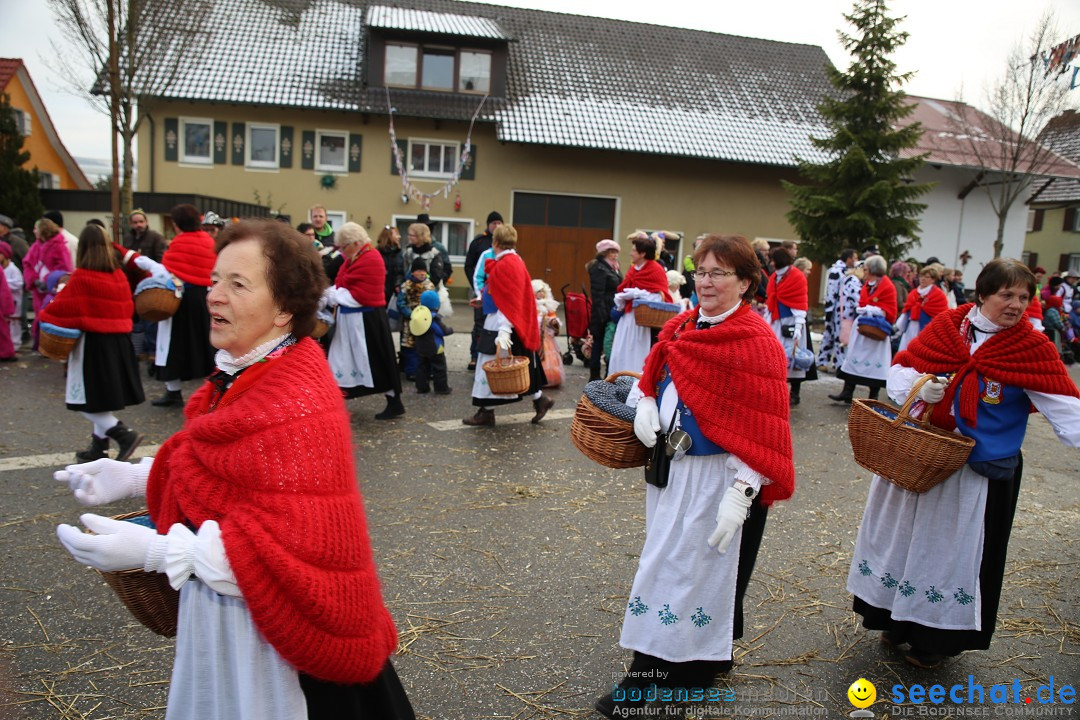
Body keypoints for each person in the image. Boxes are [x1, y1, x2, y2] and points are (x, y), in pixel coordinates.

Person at [54, 218, 415, 718]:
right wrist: (135, 475)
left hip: (284, 651)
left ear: (285, 308)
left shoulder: (298, 400)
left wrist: (158, 551)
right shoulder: (245, 372)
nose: (214, 295)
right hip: (234, 620)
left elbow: (287, 546)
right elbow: (226, 470)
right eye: (216, 279)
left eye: (237, 283)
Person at [847, 259, 1080, 670]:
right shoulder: (949, 327)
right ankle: (891, 619)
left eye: (1024, 298)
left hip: (977, 470)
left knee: (951, 556)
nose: (1015, 305)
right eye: (1006, 295)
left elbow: (1066, 410)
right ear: (983, 294)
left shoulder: (1031, 347)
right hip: (922, 455)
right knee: (903, 540)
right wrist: (923, 392)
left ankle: (934, 640)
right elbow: (901, 370)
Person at [597, 234, 794, 718]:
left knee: (694, 578)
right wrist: (644, 399)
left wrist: (743, 492)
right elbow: (656, 369)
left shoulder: (757, 342)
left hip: (717, 480)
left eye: (719, 273)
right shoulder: (683, 325)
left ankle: (667, 681)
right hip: (671, 472)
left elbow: (763, 428)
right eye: (701, 271)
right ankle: (660, 674)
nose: (706, 282)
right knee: (664, 569)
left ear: (745, 282)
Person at [38, 224, 145, 461]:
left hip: (94, 344)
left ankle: (123, 434)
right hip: (119, 343)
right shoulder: (118, 275)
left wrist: (44, 315)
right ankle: (99, 447)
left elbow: (58, 310)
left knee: (86, 400)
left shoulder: (81, 277)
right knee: (100, 398)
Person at [464, 224, 554, 426]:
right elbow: (504, 294)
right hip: (508, 320)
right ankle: (540, 400)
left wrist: (504, 330)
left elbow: (509, 300)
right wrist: (483, 301)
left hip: (502, 323)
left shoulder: (506, 264)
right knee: (516, 365)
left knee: (492, 365)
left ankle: (486, 412)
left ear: (495, 242)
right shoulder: (513, 260)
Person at [324, 222, 405, 420]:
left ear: (355, 242)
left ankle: (394, 402)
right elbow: (342, 282)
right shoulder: (354, 257)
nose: (342, 251)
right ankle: (335, 401)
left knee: (377, 361)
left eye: (344, 247)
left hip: (367, 321)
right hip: (350, 320)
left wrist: (333, 296)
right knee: (339, 359)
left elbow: (362, 294)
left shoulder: (371, 258)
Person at [148, 204, 217, 407]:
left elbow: (167, 271)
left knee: (173, 345)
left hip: (179, 298)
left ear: (177, 224)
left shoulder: (178, 243)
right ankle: (211, 393)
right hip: (205, 299)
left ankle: (173, 391)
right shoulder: (209, 241)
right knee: (206, 344)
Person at [830, 255, 896, 403]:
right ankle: (847, 392)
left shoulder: (887, 286)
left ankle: (873, 396)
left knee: (875, 361)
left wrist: (872, 309)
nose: (863, 271)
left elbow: (890, 309)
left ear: (873, 270)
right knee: (854, 357)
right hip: (862, 328)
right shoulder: (868, 285)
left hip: (876, 329)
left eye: (865, 269)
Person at [608, 232, 673, 376]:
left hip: (642, 322)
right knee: (621, 350)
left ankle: (634, 379)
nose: (631, 254)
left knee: (636, 351)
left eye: (634, 251)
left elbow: (661, 297)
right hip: (627, 317)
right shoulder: (633, 269)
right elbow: (624, 287)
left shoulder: (655, 270)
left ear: (642, 253)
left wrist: (638, 294)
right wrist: (623, 298)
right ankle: (618, 377)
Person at [766, 247, 810, 406]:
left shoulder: (796, 277)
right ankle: (777, 391)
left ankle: (794, 394)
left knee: (792, 358)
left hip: (791, 322)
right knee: (776, 357)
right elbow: (771, 300)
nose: (770, 263)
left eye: (772, 260)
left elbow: (800, 303)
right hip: (777, 322)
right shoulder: (774, 277)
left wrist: (798, 327)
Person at [23, 217, 74, 350]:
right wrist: (33, 280)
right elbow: (28, 264)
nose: (34, 231)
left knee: (49, 318)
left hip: (51, 291)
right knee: (38, 316)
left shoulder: (59, 246)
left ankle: (49, 346)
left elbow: (64, 269)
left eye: (36, 228)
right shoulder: (36, 246)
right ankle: (39, 344)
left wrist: (48, 281)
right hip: (38, 290)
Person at [465, 211, 503, 371]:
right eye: (494, 223)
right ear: (488, 225)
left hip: (499, 296)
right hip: (482, 291)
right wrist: (479, 290)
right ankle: (475, 356)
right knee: (479, 326)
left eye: (499, 223)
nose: (496, 226)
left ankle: (497, 355)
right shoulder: (479, 243)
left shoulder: (505, 244)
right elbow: (470, 267)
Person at [586, 239, 622, 381]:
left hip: (611, 310)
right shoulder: (599, 268)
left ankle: (608, 374)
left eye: (616, 252)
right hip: (602, 312)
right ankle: (594, 377)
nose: (614, 255)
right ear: (604, 253)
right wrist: (601, 315)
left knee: (608, 343)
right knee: (599, 344)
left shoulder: (613, 267)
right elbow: (597, 294)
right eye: (611, 252)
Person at [817, 249, 858, 372]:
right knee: (832, 336)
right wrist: (829, 311)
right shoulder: (836, 272)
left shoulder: (847, 272)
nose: (856, 261)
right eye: (855, 258)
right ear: (849, 258)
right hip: (835, 311)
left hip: (842, 311)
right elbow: (831, 291)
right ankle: (824, 360)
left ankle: (836, 362)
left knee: (839, 336)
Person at [396, 258, 436, 382]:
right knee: (410, 347)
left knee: (426, 346)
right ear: (413, 272)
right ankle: (412, 371)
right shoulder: (406, 286)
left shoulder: (429, 286)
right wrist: (411, 314)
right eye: (419, 271)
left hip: (426, 321)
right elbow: (401, 303)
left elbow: (436, 303)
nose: (422, 273)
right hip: (411, 321)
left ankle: (427, 371)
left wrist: (431, 315)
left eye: (424, 271)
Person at [894, 264, 949, 352]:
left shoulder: (938, 295)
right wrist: (899, 327)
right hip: (910, 327)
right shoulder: (913, 293)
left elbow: (941, 314)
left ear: (933, 280)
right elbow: (906, 310)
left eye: (927, 277)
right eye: (921, 276)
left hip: (927, 329)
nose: (923, 279)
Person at [411, 289, 453, 395]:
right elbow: (442, 331)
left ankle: (422, 388)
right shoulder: (433, 319)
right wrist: (450, 330)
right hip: (435, 348)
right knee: (439, 368)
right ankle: (441, 388)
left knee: (422, 368)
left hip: (421, 347)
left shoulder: (418, 316)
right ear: (437, 305)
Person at [400, 222, 449, 289]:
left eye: (412, 235)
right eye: (409, 235)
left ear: (420, 236)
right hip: (409, 291)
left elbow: (436, 276)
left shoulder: (434, 254)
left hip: (429, 291)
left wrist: (423, 283)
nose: (409, 237)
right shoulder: (408, 252)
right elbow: (402, 271)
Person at [1, 240, 22, 356]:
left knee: (14, 323)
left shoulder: (13, 269)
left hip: (14, 300)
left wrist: (4, 283)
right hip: (3, 301)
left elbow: (19, 283)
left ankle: (16, 343)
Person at [375, 225, 403, 306]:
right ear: (389, 236)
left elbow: (401, 271)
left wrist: (398, 283)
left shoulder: (399, 253)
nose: (399, 237)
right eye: (396, 234)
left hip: (394, 292)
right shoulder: (378, 253)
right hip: (381, 292)